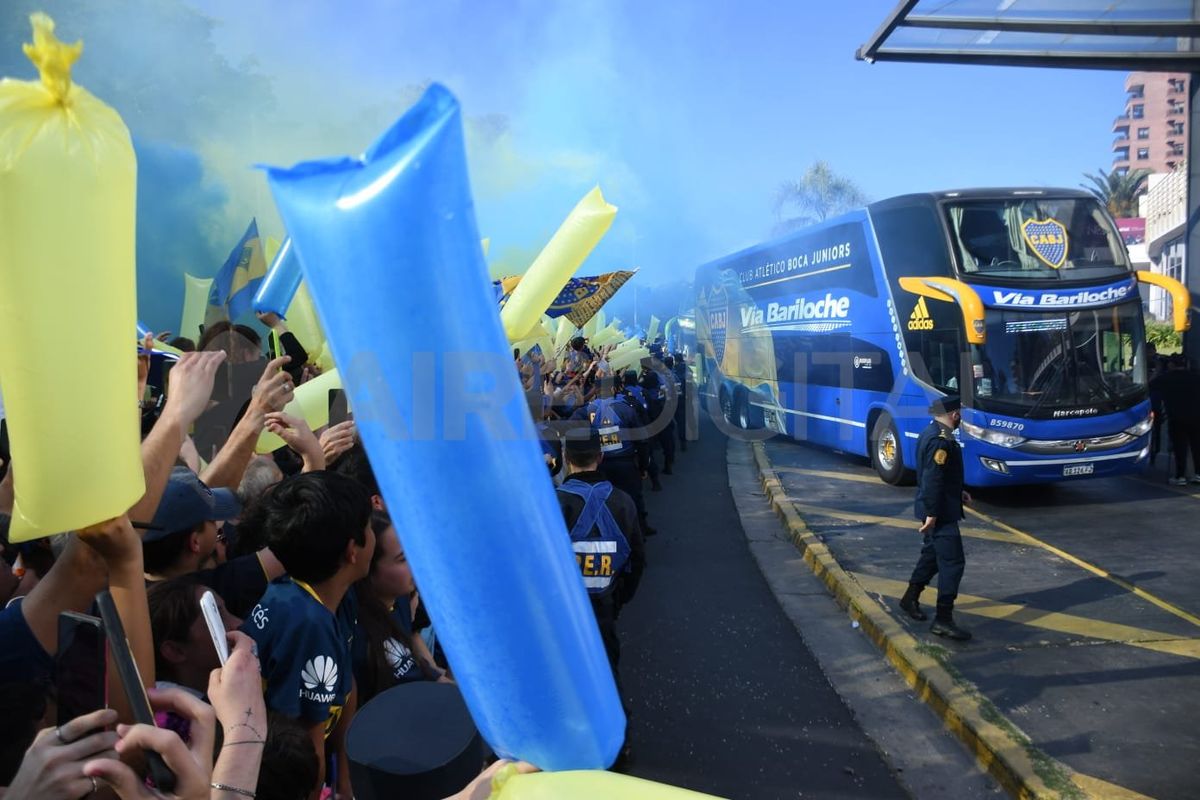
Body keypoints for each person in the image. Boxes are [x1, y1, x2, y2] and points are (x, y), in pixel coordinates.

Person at [242, 471, 374, 800]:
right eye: (370, 527)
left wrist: (345, 777)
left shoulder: (320, 595)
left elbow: (347, 686)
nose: (375, 533)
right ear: (352, 551)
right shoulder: (308, 627)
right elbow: (304, 739)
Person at [555, 429, 645, 762]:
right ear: (601, 456)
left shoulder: (553, 503)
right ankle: (618, 745)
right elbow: (638, 559)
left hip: (564, 613)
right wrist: (619, 598)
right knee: (607, 671)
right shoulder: (623, 502)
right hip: (606, 608)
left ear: (566, 459)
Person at [898, 395, 973, 640]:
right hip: (939, 512)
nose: (960, 417)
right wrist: (932, 514)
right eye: (959, 413)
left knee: (932, 556)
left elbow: (940, 475)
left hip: (938, 505)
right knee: (953, 563)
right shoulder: (941, 440)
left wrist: (957, 491)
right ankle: (943, 619)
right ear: (954, 415)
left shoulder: (931, 432)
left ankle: (910, 598)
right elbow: (932, 478)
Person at [352, 512, 445, 707]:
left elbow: (412, 635)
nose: (415, 563)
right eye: (403, 559)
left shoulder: (403, 596)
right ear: (368, 567)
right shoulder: (358, 639)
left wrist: (436, 674)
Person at [573, 377, 654, 537]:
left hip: (597, 466)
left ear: (595, 391)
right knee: (633, 499)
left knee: (602, 501)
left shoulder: (585, 411)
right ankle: (640, 532)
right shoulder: (626, 409)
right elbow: (642, 441)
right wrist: (644, 466)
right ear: (613, 390)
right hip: (626, 465)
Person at [1150, 355, 1200, 485]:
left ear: (1171, 365)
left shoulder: (1165, 378)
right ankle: (1198, 474)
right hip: (1196, 416)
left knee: (1180, 447)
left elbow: (1149, 385)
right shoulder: (1196, 377)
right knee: (1197, 446)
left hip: (1176, 417)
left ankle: (1180, 476)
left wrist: (1158, 369)